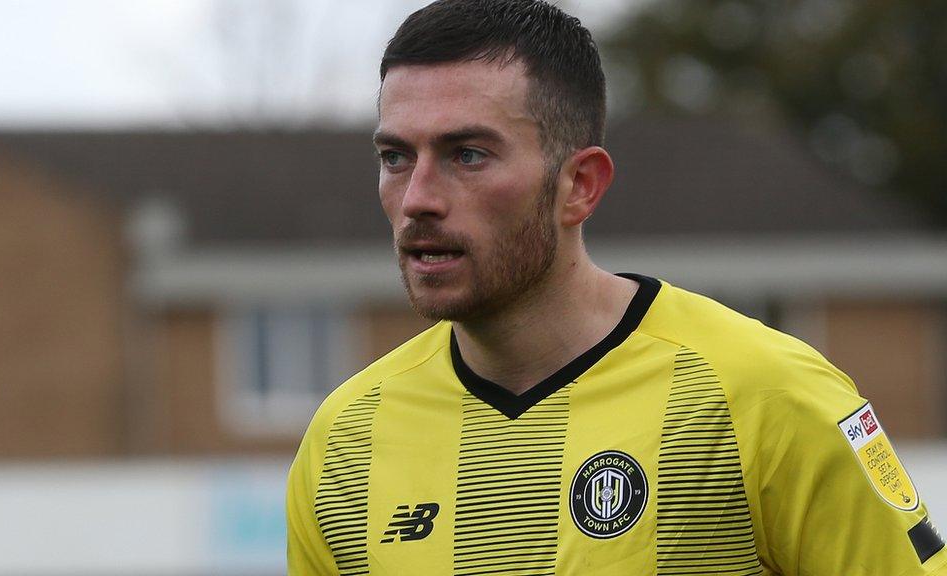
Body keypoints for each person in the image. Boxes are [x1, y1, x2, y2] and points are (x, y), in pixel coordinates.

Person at [286, 0, 947, 574]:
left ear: (580, 185)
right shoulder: (344, 444)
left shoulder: (766, 396)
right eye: (395, 157)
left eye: (468, 155)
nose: (417, 199)